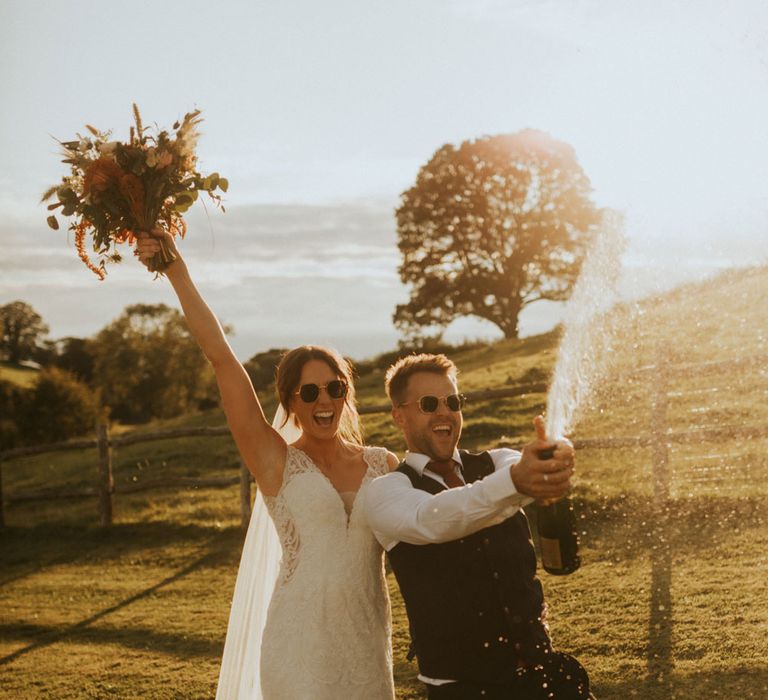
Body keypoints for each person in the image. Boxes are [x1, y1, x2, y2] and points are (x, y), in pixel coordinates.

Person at [134, 230, 395, 700]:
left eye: (334, 389)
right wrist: (177, 272)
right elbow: (221, 358)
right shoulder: (275, 460)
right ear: (290, 400)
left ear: (346, 395)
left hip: (366, 642)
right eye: (309, 391)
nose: (324, 401)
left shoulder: (383, 464)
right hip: (298, 644)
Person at [364, 353, 594, 700]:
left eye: (453, 402)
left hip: (540, 675)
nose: (445, 412)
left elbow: (521, 470)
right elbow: (435, 519)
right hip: (461, 688)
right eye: (429, 404)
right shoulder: (386, 492)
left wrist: (549, 462)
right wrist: (517, 481)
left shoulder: (499, 462)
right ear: (399, 415)